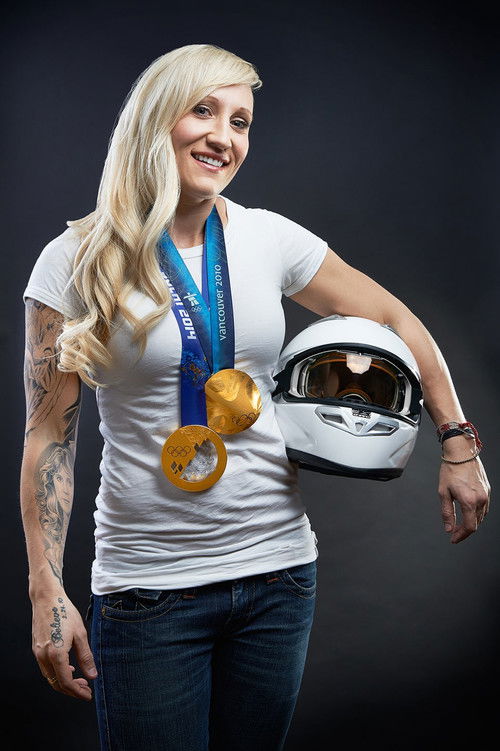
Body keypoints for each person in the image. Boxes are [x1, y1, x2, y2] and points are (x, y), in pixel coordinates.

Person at [20, 44, 491, 751]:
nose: (224, 136)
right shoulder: (73, 260)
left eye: (240, 122)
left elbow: (395, 319)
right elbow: (49, 436)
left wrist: (457, 441)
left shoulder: (267, 237)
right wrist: (45, 591)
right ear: (155, 119)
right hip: (149, 590)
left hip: (277, 577)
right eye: (204, 111)